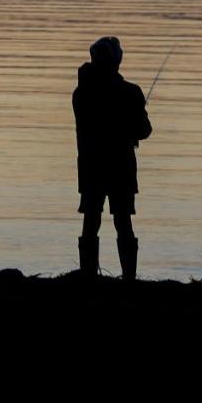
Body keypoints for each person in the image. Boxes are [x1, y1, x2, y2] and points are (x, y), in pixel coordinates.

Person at [72, 36, 151, 280]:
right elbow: (144, 131)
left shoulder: (81, 93)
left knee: (91, 219)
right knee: (123, 221)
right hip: (120, 168)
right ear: (117, 62)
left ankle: (88, 277)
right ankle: (129, 278)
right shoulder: (131, 92)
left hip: (91, 165)